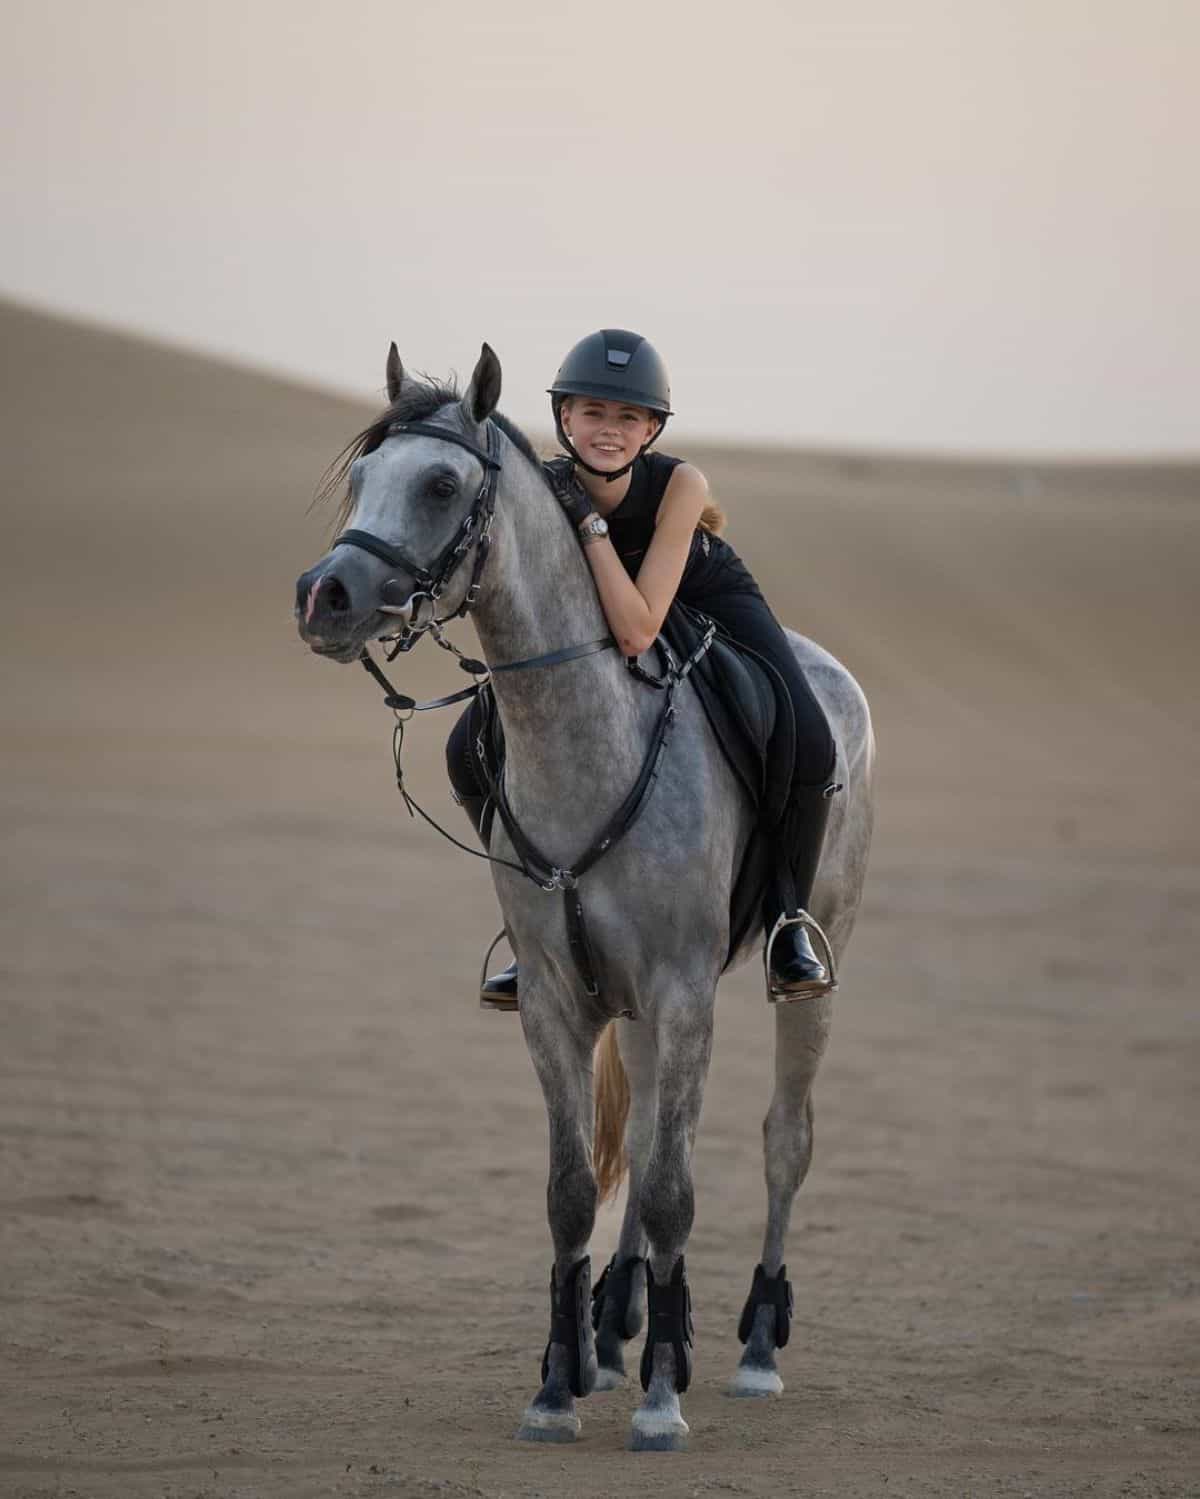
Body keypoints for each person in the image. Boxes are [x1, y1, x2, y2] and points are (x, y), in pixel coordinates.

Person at [445, 329, 837, 1010]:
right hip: (601, 607)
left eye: (628, 417)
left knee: (808, 736)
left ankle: (786, 921)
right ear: (564, 416)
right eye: (593, 412)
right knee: (464, 748)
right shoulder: (541, 486)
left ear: (652, 427)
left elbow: (636, 628)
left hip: (701, 592)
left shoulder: (683, 485)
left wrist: (588, 528)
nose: (609, 430)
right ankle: (526, 923)